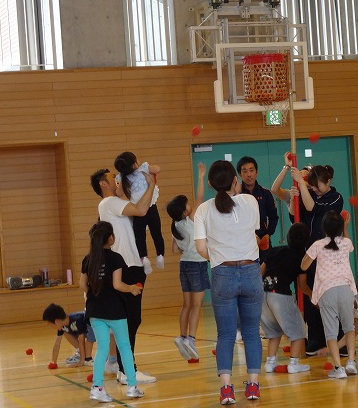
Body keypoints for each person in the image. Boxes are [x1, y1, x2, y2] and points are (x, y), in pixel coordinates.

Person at [194, 160, 263, 405]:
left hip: (222, 273)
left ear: (210, 183)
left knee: (225, 334)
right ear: (236, 180)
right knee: (252, 332)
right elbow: (254, 232)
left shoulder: (203, 210)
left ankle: (226, 389)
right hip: (251, 271)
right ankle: (253, 386)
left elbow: (201, 248)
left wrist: (219, 258)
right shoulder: (250, 201)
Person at [90, 168, 157, 384]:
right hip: (128, 267)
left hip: (131, 265)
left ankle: (122, 368)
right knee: (131, 320)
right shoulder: (109, 203)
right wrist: (151, 184)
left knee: (129, 320)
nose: (116, 179)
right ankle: (127, 371)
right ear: (103, 184)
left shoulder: (113, 203)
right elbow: (141, 209)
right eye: (112, 177)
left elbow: (130, 198)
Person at [80, 221, 144, 402]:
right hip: (115, 310)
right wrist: (132, 288)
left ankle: (97, 388)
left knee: (102, 348)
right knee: (124, 346)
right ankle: (132, 387)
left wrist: (95, 293)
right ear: (110, 238)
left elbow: (82, 285)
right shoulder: (116, 258)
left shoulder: (88, 259)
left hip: (94, 310)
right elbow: (117, 285)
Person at [291, 163, 344, 356]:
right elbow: (295, 217)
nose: (315, 189)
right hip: (310, 254)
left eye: (317, 185)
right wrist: (294, 196)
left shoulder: (335, 198)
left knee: (330, 298)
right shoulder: (310, 194)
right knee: (311, 298)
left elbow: (312, 208)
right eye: (312, 186)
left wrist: (302, 184)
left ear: (328, 181)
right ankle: (315, 340)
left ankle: (340, 341)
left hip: (328, 257)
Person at [301, 211, 357, 379]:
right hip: (346, 289)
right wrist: (345, 228)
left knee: (331, 333)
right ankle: (351, 362)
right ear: (341, 227)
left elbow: (303, 266)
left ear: (323, 228)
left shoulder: (318, 245)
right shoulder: (346, 243)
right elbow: (350, 246)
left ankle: (338, 368)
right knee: (349, 327)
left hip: (327, 291)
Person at [167, 162, 209, 361]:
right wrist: (201, 176)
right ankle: (191, 339)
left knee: (186, 304)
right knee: (197, 305)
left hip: (184, 265)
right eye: (186, 205)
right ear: (184, 212)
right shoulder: (191, 219)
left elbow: (175, 250)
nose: (190, 204)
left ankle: (182, 336)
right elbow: (200, 197)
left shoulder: (175, 226)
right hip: (197, 265)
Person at [261, 222, 310, 374]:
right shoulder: (301, 257)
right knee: (299, 331)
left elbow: (259, 272)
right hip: (281, 296)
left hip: (263, 295)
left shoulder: (274, 250)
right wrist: (312, 295)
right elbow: (302, 285)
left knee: (273, 332)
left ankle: (270, 363)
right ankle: (293, 363)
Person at [114, 152, 165, 274]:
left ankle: (144, 258)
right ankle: (160, 255)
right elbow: (158, 169)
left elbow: (118, 193)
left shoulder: (123, 177)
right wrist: (149, 169)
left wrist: (121, 179)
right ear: (134, 163)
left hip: (138, 210)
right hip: (150, 207)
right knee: (156, 232)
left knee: (140, 236)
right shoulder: (142, 169)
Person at [236, 156, 279, 262]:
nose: (249, 174)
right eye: (245, 171)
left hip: (263, 240)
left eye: (251, 170)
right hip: (243, 242)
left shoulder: (266, 193)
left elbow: (273, 217)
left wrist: (268, 234)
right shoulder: (236, 195)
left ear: (256, 172)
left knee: (266, 269)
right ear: (240, 174)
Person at [42, 303, 95, 367]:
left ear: (56, 322)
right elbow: (57, 344)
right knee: (66, 332)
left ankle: (88, 358)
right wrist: (53, 362)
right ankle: (80, 352)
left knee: (89, 334)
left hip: (93, 329)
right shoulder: (62, 325)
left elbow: (82, 341)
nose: (50, 327)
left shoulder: (78, 320)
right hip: (82, 332)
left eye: (49, 325)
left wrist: (81, 361)